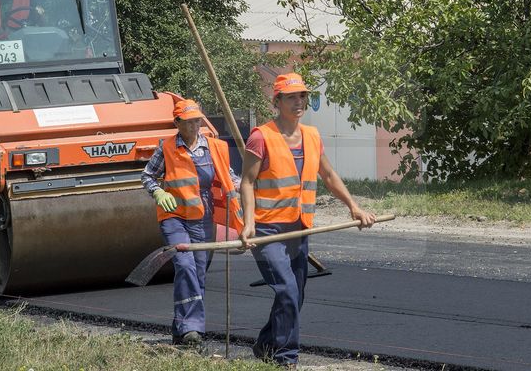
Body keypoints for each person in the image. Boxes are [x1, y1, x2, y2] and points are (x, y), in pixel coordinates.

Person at [239, 72, 376, 367]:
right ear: (277, 101)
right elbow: (246, 182)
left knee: (295, 296)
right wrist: (248, 223)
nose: (299, 101)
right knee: (286, 290)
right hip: (267, 231)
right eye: (291, 97)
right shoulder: (261, 137)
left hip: (299, 227)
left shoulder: (311, 136)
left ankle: (265, 345)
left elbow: (327, 175)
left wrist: (353, 206)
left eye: (302, 95)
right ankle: (286, 359)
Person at [141, 98, 243, 347]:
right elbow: (147, 176)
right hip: (174, 218)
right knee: (185, 266)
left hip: (203, 220)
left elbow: (230, 179)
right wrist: (158, 192)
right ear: (177, 123)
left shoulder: (214, 148)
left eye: (197, 120)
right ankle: (193, 330)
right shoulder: (166, 148)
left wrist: (250, 186)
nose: (195, 126)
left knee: (197, 274)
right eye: (188, 122)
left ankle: (181, 328)